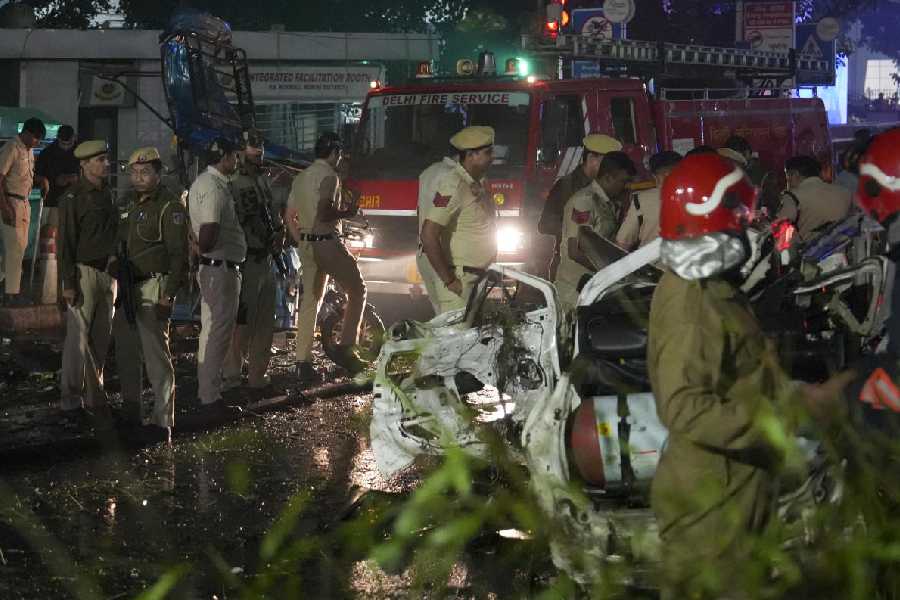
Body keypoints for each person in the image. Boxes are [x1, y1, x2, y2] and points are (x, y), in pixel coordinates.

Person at [647, 153, 850, 598]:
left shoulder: (713, 287)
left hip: (733, 492)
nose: (749, 225)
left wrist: (800, 396)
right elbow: (684, 407)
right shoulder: (692, 299)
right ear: (711, 219)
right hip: (712, 511)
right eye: (740, 216)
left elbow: (740, 379)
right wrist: (780, 419)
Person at [110, 147, 188, 441]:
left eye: (145, 172)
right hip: (127, 288)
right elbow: (118, 240)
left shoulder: (169, 206)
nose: (138, 177)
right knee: (126, 353)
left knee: (156, 356)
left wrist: (168, 297)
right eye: (134, 172)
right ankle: (132, 411)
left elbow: (179, 256)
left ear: (158, 173)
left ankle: (162, 420)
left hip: (154, 288)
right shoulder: (127, 203)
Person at [287, 132, 366, 384]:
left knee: (310, 303)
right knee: (357, 290)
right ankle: (347, 350)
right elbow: (324, 211)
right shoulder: (329, 176)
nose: (340, 158)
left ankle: (302, 363)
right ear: (334, 153)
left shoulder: (300, 178)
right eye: (339, 153)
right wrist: (347, 212)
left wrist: (303, 241)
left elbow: (289, 217)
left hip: (307, 244)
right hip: (327, 242)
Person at [58, 140, 118, 415]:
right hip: (84, 273)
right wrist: (68, 283)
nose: (106, 164)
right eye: (99, 160)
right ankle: (71, 399)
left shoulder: (108, 193)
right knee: (77, 341)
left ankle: (95, 397)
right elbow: (66, 243)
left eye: (106, 159)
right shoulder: (73, 198)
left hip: (108, 274)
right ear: (84, 165)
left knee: (101, 338)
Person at [222, 129, 283, 396]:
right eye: (253, 151)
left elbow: (273, 213)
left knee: (265, 320)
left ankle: (257, 375)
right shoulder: (232, 181)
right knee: (242, 320)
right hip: (246, 259)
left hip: (266, 257)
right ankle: (232, 375)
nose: (259, 155)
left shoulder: (262, 179)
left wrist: (279, 233)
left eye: (260, 151)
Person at [188, 137, 245, 418]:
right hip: (219, 268)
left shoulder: (203, 182)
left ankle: (207, 393)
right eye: (234, 156)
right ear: (224, 157)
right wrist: (203, 248)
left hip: (215, 267)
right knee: (217, 333)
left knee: (211, 331)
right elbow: (208, 232)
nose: (236, 161)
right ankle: (210, 398)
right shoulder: (213, 187)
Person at [419, 126, 497, 315]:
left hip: (475, 278)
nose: (492, 157)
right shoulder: (454, 184)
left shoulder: (474, 183)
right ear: (470, 155)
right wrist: (451, 281)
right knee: (454, 334)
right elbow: (428, 234)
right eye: (488, 153)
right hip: (461, 282)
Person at [553, 151, 635, 311]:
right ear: (608, 177)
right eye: (623, 181)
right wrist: (611, 273)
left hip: (594, 289)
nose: (626, 187)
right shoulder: (584, 201)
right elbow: (575, 251)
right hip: (575, 291)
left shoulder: (609, 203)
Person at [538, 134, 622, 279]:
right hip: (572, 271)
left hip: (601, 268)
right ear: (591, 158)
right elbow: (545, 225)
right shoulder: (566, 186)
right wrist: (580, 229)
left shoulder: (609, 187)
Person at [0, 117, 48, 305]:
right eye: (36, 138)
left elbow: (25, 177)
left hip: (24, 203)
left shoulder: (28, 151)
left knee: (19, 248)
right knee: (15, 250)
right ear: (27, 133)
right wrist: (5, 208)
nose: (37, 142)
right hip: (11, 202)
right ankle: (12, 294)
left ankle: (7, 288)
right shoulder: (12, 148)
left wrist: (41, 180)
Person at [416, 152, 457, 314]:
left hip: (424, 256)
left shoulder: (428, 172)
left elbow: (420, 211)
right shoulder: (454, 176)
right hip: (444, 259)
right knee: (453, 319)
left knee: (440, 316)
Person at [616, 150, 681, 250]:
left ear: (655, 176)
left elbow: (622, 243)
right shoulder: (698, 198)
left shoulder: (641, 200)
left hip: (652, 260)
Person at [777, 155, 852, 241]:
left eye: (787, 177)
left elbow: (781, 233)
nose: (787, 182)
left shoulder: (792, 196)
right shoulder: (845, 193)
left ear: (795, 174)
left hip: (810, 248)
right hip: (843, 247)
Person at [34, 124, 78, 231]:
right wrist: (49, 180)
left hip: (75, 202)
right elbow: (36, 175)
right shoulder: (47, 153)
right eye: (63, 143)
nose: (66, 146)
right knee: (51, 233)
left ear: (74, 138)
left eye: (69, 143)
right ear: (58, 138)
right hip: (52, 201)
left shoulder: (80, 153)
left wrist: (75, 178)